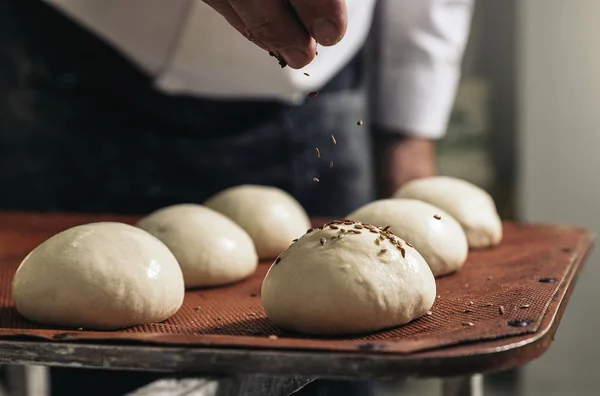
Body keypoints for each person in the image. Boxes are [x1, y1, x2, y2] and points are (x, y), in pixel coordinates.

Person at [0, 0, 473, 394]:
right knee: (92, 367)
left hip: (323, 89)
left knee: (332, 370)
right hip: (84, 63)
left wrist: (413, 120)